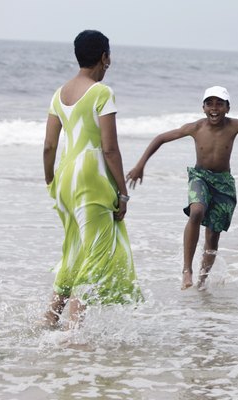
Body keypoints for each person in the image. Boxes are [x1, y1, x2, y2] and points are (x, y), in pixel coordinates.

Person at [126, 86, 238, 290]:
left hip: (223, 183)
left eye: (220, 103)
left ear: (228, 108)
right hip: (200, 177)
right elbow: (160, 138)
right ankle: (187, 270)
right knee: (197, 211)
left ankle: (201, 283)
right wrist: (141, 164)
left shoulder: (234, 126)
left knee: (212, 237)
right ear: (203, 107)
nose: (214, 108)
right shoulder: (195, 127)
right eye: (209, 103)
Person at [42, 30, 142, 330]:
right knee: (96, 254)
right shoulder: (101, 92)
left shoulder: (58, 94)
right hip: (91, 178)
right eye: (108, 56)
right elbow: (109, 147)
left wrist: (51, 181)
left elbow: (49, 146)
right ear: (104, 57)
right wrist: (123, 193)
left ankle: (49, 320)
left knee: (74, 250)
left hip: (65, 178)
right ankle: (74, 333)